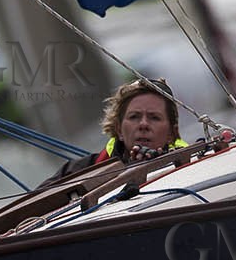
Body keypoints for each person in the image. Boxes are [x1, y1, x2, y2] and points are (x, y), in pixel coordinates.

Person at [41, 78, 189, 185]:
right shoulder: (77, 172)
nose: (143, 124)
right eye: (134, 117)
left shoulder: (191, 167)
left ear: (172, 133)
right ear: (118, 130)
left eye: (154, 118)